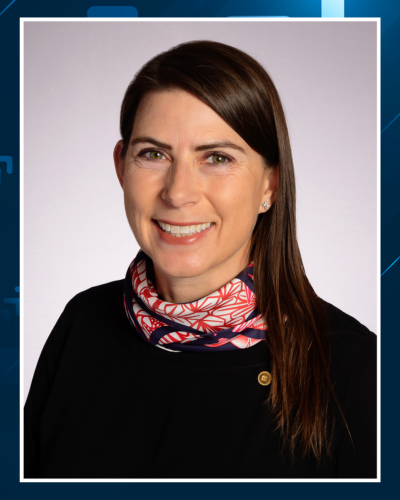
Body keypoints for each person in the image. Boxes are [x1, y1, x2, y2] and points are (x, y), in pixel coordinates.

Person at [24, 40, 377, 479]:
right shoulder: (83, 323)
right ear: (121, 168)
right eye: (153, 154)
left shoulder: (354, 369)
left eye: (216, 158)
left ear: (270, 186)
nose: (178, 193)